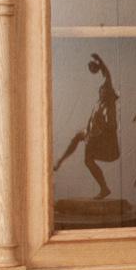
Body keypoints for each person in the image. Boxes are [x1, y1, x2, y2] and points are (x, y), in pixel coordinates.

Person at [54, 54, 121, 199]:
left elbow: (107, 76)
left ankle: (104, 189)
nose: (103, 91)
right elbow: (104, 78)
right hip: (92, 133)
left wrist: (101, 62)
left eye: (106, 90)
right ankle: (60, 161)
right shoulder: (99, 102)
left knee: (88, 160)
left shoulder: (109, 105)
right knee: (78, 137)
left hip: (101, 137)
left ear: (110, 93)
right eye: (102, 90)